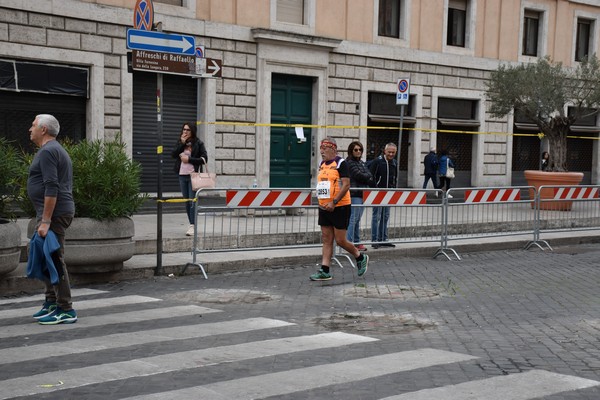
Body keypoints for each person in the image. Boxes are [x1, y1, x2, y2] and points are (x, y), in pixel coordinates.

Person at [28, 114, 77, 325]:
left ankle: (65, 308)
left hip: (54, 214)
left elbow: (52, 186)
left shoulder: (48, 151)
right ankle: (51, 301)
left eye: (33, 125)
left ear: (43, 129)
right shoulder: (52, 150)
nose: (29, 129)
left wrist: (46, 220)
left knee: (55, 258)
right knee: (44, 256)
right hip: (52, 213)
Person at [310, 137, 369, 281]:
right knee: (326, 239)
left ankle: (360, 257)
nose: (322, 151)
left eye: (325, 148)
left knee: (341, 240)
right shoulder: (321, 164)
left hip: (340, 206)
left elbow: (346, 185)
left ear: (333, 149)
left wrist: (334, 202)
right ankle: (325, 270)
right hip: (324, 206)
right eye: (321, 148)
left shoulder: (341, 163)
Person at [171, 122, 207, 236]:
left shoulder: (198, 143)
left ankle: (192, 225)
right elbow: (173, 154)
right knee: (187, 202)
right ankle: (191, 224)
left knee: (192, 201)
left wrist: (189, 159)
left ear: (192, 131)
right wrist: (181, 143)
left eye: (187, 130)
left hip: (193, 176)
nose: (185, 132)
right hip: (182, 175)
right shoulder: (181, 142)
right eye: (184, 129)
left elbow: (204, 158)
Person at [346, 141, 374, 252]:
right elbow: (358, 175)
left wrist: (366, 176)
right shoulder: (349, 162)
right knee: (353, 219)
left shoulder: (361, 163)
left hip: (362, 193)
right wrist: (367, 176)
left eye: (360, 150)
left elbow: (369, 174)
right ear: (351, 151)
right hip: (355, 194)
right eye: (356, 150)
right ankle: (348, 243)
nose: (358, 152)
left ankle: (356, 242)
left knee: (357, 220)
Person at [369, 142, 397, 248]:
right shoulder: (378, 161)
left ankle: (383, 238)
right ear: (385, 151)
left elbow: (395, 177)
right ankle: (375, 240)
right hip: (378, 193)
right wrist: (375, 189)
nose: (391, 154)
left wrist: (394, 188)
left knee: (385, 216)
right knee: (376, 216)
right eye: (389, 152)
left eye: (393, 152)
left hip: (389, 193)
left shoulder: (394, 162)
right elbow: (371, 176)